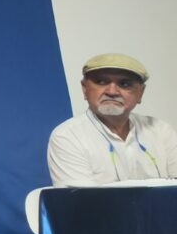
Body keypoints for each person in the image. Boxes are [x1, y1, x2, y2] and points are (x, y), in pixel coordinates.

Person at [47, 53, 177, 186]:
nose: (112, 92)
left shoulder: (161, 130)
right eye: (101, 82)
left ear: (140, 93)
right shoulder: (68, 136)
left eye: (124, 84)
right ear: (85, 89)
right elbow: (80, 198)